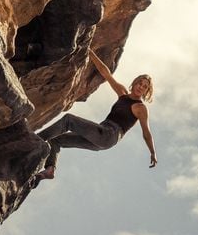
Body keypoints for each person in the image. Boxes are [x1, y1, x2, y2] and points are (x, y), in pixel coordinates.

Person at [32, 48, 157, 187]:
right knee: (56, 141)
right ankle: (49, 170)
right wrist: (89, 51)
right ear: (135, 82)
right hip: (100, 136)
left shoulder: (140, 108)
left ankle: (34, 140)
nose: (141, 87)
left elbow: (146, 132)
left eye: (145, 87)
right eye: (140, 83)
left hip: (110, 134)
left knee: (69, 120)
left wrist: (152, 153)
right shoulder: (122, 93)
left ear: (146, 92)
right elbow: (105, 72)